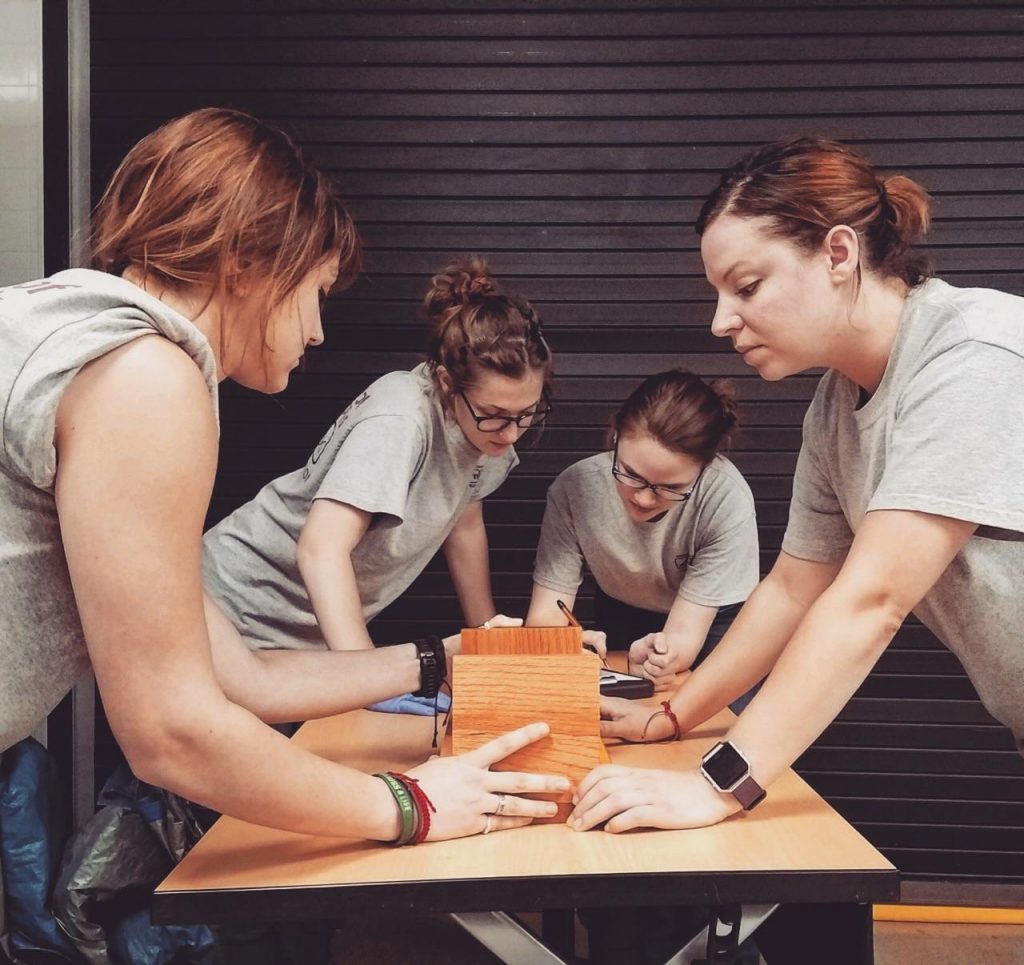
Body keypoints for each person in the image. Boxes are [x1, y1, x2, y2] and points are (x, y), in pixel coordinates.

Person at [0, 107, 567, 845]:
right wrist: (410, 805)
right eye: (315, 293)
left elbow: (245, 678)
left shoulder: (72, 328)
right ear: (245, 264)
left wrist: (438, 659)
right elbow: (171, 731)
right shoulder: (146, 376)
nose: (317, 331)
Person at [570, 135, 1024, 837]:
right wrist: (674, 713)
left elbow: (872, 600)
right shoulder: (835, 410)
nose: (721, 321)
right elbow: (790, 590)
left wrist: (717, 787)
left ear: (838, 254)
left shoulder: (972, 355)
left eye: (746, 286)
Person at [202, 256, 553, 681]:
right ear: (445, 383)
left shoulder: (490, 436)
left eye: (527, 413)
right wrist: (366, 679)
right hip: (232, 608)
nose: (512, 433)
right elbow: (320, 548)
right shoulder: (400, 419)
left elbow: (463, 523)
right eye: (494, 413)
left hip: (304, 640)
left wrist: (488, 642)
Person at [526, 369, 760, 710]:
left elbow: (684, 638)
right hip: (623, 605)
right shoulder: (575, 489)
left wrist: (661, 659)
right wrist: (565, 648)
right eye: (631, 475)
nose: (645, 499)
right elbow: (546, 616)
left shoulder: (726, 498)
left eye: (670, 487)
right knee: (616, 719)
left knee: (716, 729)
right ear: (615, 435)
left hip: (713, 622)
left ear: (705, 467)